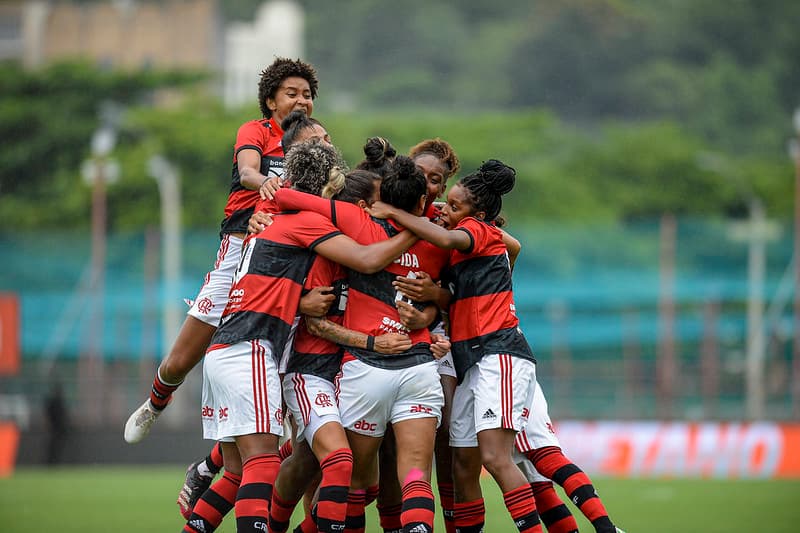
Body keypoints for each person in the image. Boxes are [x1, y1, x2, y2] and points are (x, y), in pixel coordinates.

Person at [184, 139, 418, 533]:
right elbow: (370, 256)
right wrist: (420, 223)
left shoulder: (269, 216)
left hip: (232, 348)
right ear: (329, 184)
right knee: (265, 463)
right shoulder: (307, 223)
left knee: (242, 471)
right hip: (252, 349)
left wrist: (296, 299)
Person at [124, 57, 321, 446]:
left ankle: (256, 443)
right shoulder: (256, 131)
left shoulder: (313, 141)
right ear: (270, 101)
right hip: (238, 253)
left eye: (308, 95)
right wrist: (272, 190)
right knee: (182, 358)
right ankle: (155, 403)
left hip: (287, 258)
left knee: (288, 355)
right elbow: (248, 173)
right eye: (292, 93)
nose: (302, 100)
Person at [274, 155, 451, 533]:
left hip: (364, 369)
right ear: (423, 202)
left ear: (379, 197)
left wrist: (267, 193)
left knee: (352, 483)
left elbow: (292, 199)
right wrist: (433, 306)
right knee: (417, 474)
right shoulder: (437, 241)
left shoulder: (358, 222)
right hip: (417, 365)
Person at [175, 108, 336, 522]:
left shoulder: (280, 211)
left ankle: (205, 470)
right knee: (274, 460)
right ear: (294, 154)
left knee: (241, 467)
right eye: (320, 141)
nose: (329, 146)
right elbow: (365, 256)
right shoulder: (292, 213)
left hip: (259, 347)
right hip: (264, 349)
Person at [368, 160, 544, 532]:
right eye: (444, 202)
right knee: (463, 463)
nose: (444, 210)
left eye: (454, 205)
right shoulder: (463, 248)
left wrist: (392, 210)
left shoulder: (475, 231)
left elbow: (451, 238)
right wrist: (436, 296)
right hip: (471, 364)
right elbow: (458, 292)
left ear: (478, 215)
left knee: (496, 458)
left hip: (500, 355)